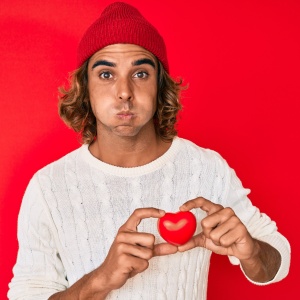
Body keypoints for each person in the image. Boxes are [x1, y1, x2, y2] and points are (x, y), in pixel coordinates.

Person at [8, 2, 290, 299]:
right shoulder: (49, 187)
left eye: (140, 73)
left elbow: (278, 260)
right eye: (106, 74)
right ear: (85, 87)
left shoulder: (207, 169)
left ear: (160, 85)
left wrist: (252, 250)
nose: (125, 91)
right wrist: (100, 280)